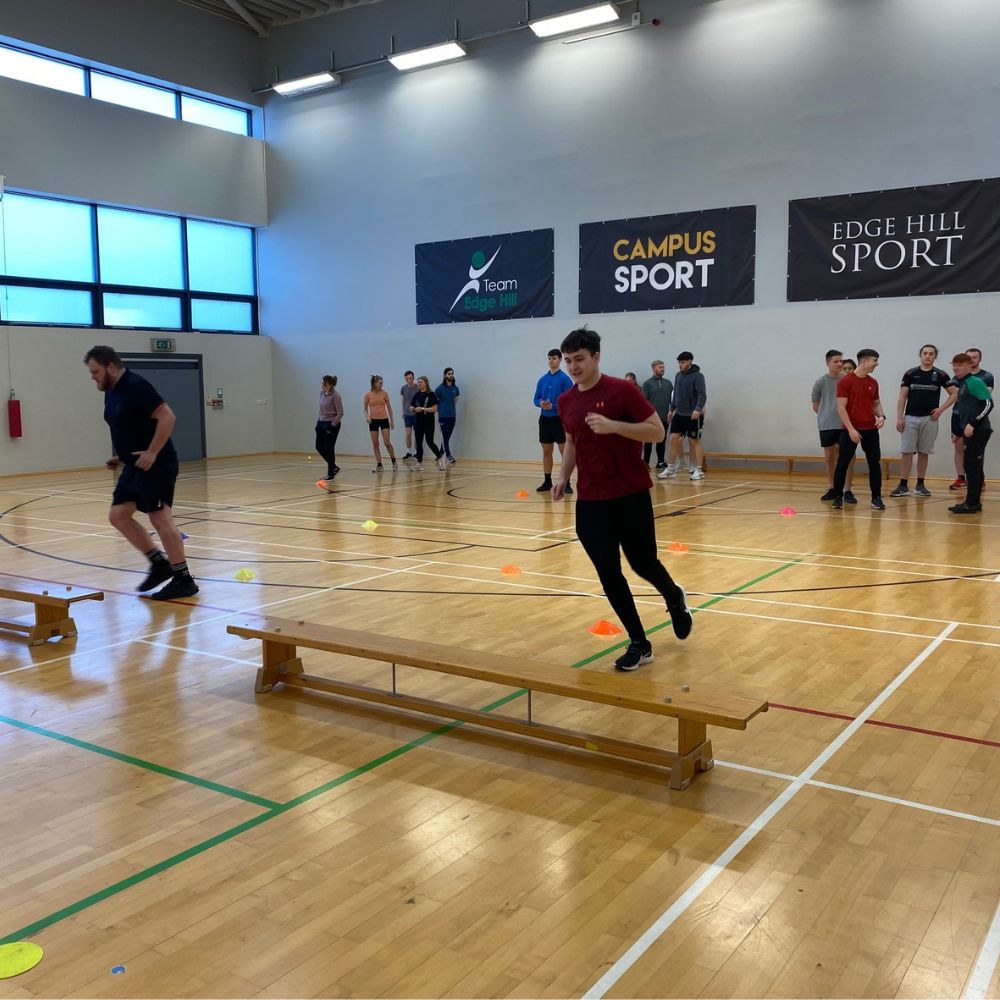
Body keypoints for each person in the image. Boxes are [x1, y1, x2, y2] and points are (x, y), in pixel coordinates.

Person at [553, 328, 692, 671]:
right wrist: (562, 477)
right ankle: (639, 643)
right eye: (568, 360)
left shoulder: (622, 391)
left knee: (642, 563)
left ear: (596, 357)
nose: (573, 366)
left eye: (579, 359)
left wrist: (616, 426)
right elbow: (571, 442)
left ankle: (673, 596)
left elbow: (657, 431)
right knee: (609, 574)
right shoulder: (566, 401)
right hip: (590, 500)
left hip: (630, 494)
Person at [83, 345, 198, 600]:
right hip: (133, 464)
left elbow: (167, 417)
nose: (93, 377)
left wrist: (152, 452)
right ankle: (159, 564)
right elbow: (128, 424)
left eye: (96, 372)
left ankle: (184, 579)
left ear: (111, 366)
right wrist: (122, 455)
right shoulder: (111, 391)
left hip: (156, 464)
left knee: (160, 518)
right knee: (119, 515)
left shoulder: (136, 385)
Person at [889, 345, 955, 499]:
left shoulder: (941, 375)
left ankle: (920, 485)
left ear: (935, 357)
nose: (927, 356)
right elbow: (902, 397)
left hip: (930, 419)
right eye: (925, 353)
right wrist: (900, 417)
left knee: (924, 452)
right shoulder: (910, 374)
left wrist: (941, 410)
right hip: (910, 418)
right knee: (906, 452)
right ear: (920, 355)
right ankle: (903, 485)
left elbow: (954, 394)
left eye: (931, 354)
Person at [830, 348, 886, 510]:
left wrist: (881, 416)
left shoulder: (873, 382)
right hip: (850, 430)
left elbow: (876, 403)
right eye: (875, 360)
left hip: (870, 429)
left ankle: (876, 498)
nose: (877, 364)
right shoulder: (845, 382)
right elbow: (841, 408)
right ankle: (838, 496)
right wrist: (851, 430)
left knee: (874, 463)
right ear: (864, 362)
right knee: (843, 463)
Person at [948, 353, 994, 514]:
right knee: (970, 465)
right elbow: (963, 411)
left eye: (959, 365)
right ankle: (972, 501)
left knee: (973, 466)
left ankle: (973, 503)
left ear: (969, 366)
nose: (956, 368)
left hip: (979, 430)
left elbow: (988, 404)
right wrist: (958, 431)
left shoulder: (975, 382)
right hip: (968, 431)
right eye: (954, 365)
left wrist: (973, 423)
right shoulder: (963, 384)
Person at [812, 350, 856, 502]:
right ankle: (831, 487)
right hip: (826, 425)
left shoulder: (848, 380)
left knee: (848, 457)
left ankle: (847, 489)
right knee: (829, 457)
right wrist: (827, 415)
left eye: (840, 361)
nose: (839, 364)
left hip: (845, 424)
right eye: (836, 361)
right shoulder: (820, 382)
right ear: (828, 363)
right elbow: (816, 405)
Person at [658, 351, 707, 481]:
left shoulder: (698, 376)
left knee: (694, 441)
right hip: (679, 413)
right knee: (673, 439)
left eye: (683, 362)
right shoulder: (678, 376)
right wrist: (672, 409)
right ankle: (671, 467)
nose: (680, 365)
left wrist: (697, 409)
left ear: (690, 362)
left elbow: (702, 395)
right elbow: (677, 394)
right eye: (679, 362)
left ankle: (699, 470)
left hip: (693, 415)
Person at [534, 348, 574, 494]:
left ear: (560, 360)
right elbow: (535, 399)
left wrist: (554, 406)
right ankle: (547, 481)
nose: (551, 361)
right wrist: (541, 403)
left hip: (559, 420)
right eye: (549, 358)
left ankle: (567, 482)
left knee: (565, 451)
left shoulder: (565, 379)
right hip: (545, 419)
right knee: (546, 451)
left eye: (554, 358)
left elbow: (570, 401)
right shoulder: (542, 379)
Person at [641, 359, 672, 470]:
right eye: (660, 367)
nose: (662, 369)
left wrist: (671, 412)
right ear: (654, 369)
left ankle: (660, 462)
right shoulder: (647, 384)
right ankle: (646, 463)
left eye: (663, 367)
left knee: (661, 441)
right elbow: (643, 402)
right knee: (648, 442)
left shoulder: (668, 383)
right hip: (651, 419)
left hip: (664, 418)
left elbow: (672, 400)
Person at [410, 376, 445, 471]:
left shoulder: (431, 394)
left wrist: (422, 409)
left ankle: (440, 458)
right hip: (418, 422)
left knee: (429, 441)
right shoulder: (416, 395)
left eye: (421, 382)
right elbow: (411, 407)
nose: (419, 384)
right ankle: (419, 463)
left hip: (428, 422)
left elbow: (435, 408)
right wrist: (414, 409)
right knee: (418, 442)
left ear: (426, 383)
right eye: (418, 382)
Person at [315, 374, 344, 487]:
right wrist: (319, 422)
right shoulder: (322, 394)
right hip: (321, 422)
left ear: (330, 384)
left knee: (329, 447)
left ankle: (330, 473)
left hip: (332, 424)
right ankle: (334, 467)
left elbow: (340, 413)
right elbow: (321, 410)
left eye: (324, 383)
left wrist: (332, 425)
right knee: (319, 446)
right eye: (322, 383)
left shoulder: (336, 396)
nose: (322, 385)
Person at [363, 375, 397, 472]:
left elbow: (389, 407)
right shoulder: (367, 395)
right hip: (373, 421)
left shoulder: (385, 394)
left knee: (386, 442)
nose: (382, 385)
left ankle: (394, 461)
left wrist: (392, 420)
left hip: (384, 420)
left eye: (382, 383)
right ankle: (379, 465)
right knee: (375, 444)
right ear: (374, 383)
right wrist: (367, 417)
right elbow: (364, 409)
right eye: (380, 383)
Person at [435, 367, 460, 464]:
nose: (451, 375)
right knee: (445, 437)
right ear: (445, 375)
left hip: (452, 416)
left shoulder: (455, 389)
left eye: (452, 373)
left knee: (447, 437)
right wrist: (440, 411)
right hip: (443, 416)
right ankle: (448, 455)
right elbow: (435, 402)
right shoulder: (439, 389)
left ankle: (441, 452)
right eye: (449, 374)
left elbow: (455, 401)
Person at [399, 371, 419, 462]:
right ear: (405, 379)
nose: (409, 380)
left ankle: (416, 452)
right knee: (408, 434)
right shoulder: (403, 388)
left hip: (416, 414)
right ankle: (409, 452)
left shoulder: (417, 387)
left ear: (413, 378)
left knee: (417, 434)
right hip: (407, 414)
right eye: (407, 379)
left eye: (410, 378)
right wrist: (403, 411)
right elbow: (403, 399)